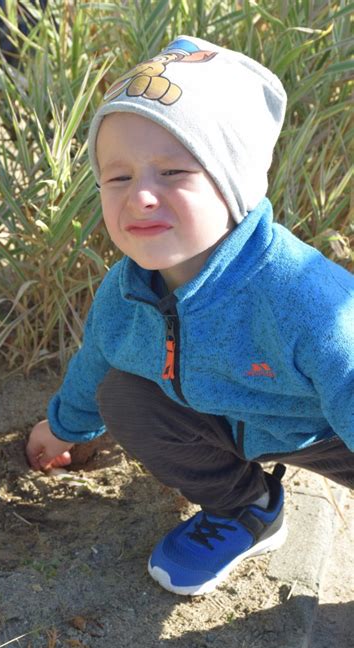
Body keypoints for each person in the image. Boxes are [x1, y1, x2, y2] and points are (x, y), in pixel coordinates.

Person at [26, 36, 354, 596]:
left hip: (327, 427)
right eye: (119, 177)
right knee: (123, 394)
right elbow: (95, 362)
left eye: (173, 172)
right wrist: (60, 429)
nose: (142, 197)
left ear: (234, 185)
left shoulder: (305, 300)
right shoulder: (125, 292)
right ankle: (247, 507)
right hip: (225, 420)